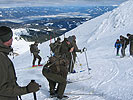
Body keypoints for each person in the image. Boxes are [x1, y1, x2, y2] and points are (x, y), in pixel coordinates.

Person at [0, 26, 40, 100]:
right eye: (10, 38)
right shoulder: (1, 59)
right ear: (5, 40)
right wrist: (27, 89)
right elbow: (2, 88)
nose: (12, 39)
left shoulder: (3, 55)